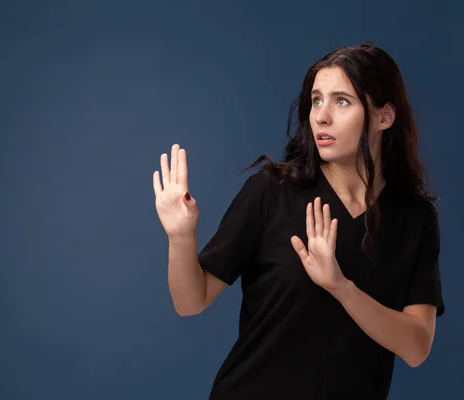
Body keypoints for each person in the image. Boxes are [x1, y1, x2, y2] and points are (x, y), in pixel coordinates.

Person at [152, 42, 445, 399]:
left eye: (342, 101)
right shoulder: (272, 192)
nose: (321, 116)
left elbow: (416, 347)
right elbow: (190, 301)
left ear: (385, 116)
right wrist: (181, 237)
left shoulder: (414, 219)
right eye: (317, 100)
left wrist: (341, 287)